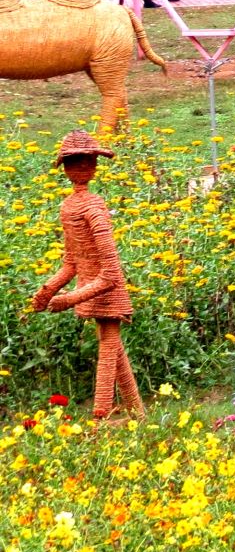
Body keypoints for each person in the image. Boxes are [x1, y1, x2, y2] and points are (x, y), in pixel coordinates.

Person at [31, 132, 143, 420]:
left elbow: (111, 274)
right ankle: (138, 415)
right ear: (68, 168)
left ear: (93, 165)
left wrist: (69, 299)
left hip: (105, 292)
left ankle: (100, 417)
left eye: (85, 161)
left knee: (108, 353)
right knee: (113, 351)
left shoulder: (93, 207)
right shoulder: (70, 206)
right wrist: (47, 292)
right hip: (91, 289)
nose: (81, 168)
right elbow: (71, 263)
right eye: (75, 162)